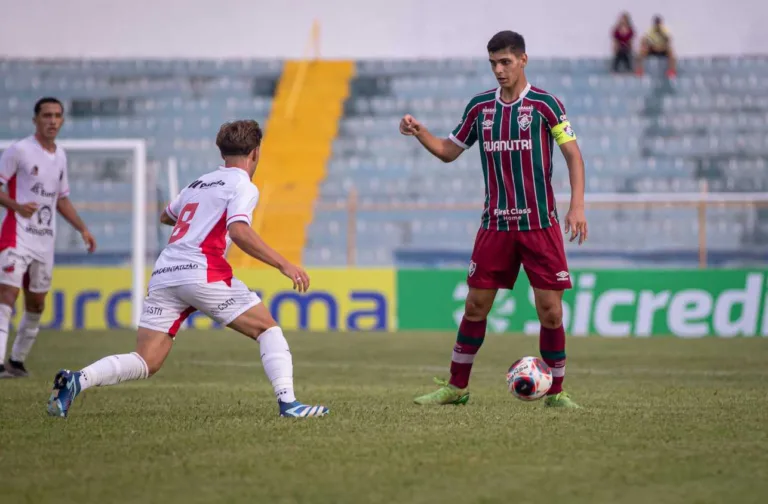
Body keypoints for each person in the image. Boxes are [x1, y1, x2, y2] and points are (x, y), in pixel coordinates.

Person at [46, 120, 329, 419]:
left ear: (222, 152)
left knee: (146, 360)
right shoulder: (243, 185)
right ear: (255, 153)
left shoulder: (198, 183)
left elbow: (166, 215)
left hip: (166, 272)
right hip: (202, 270)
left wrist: (201, 217)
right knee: (267, 329)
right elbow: (239, 230)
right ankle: (289, 404)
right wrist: (284, 264)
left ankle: (77, 380)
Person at [399, 30, 587, 408]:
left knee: (550, 312)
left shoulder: (546, 105)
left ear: (523, 60)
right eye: (493, 64)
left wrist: (577, 206)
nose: (499, 70)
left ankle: (556, 393)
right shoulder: (480, 108)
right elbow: (448, 151)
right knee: (475, 306)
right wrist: (421, 132)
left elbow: (573, 155)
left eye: (505, 62)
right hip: (496, 225)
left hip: (539, 225)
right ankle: (456, 387)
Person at [0, 97, 96, 379]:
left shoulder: (61, 156)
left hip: (44, 241)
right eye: (46, 115)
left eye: (57, 115)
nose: (52, 121)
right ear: (35, 120)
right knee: (7, 295)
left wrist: (82, 228)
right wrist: (17, 206)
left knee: (37, 304)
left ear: (62, 120)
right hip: (17, 235)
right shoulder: (19, 150)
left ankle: (16, 361)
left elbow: (61, 199)